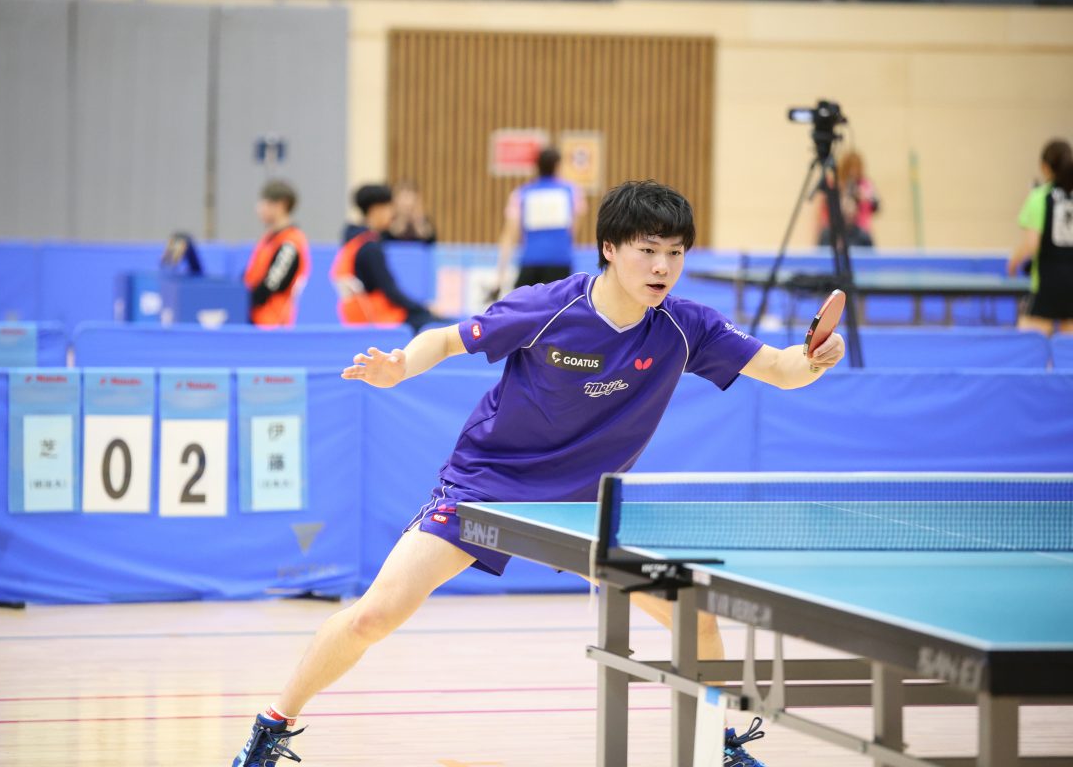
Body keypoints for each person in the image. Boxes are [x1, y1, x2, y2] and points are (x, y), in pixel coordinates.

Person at [230, 180, 846, 767]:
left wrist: (815, 358)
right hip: (487, 486)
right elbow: (446, 339)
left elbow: (782, 369)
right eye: (648, 250)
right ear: (609, 248)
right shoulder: (550, 306)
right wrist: (400, 366)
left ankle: (720, 745)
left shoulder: (687, 327)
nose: (663, 267)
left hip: (584, 508)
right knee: (374, 615)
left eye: (676, 253)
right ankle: (273, 725)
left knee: (695, 618)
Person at [331, 184, 440, 332]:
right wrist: (424, 309)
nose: (392, 214)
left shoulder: (355, 240)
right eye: (389, 208)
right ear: (376, 209)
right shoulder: (369, 247)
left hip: (359, 316)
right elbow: (391, 291)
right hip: (378, 318)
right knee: (440, 325)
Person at [495, 147, 586, 294]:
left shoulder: (522, 193)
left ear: (537, 167)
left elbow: (509, 235)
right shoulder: (571, 192)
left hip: (531, 262)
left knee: (521, 305)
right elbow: (573, 230)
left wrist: (500, 277)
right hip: (560, 261)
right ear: (557, 166)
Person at [1008, 139, 1073, 334]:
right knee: (1069, 348)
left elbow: (1032, 244)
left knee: (1030, 345)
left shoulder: (1040, 197)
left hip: (1047, 283)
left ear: (1045, 167)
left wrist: (1014, 263)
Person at [242, 181, 311, 327]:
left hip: (272, 324)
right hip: (252, 320)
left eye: (266, 203)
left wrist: (241, 302)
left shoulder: (290, 243)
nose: (259, 208)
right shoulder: (267, 239)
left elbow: (271, 285)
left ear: (281, 205)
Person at [815, 149, 879, 248]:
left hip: (859, 229)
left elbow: (875, 205)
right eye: (850, 168)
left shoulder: (864, 185)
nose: (853, 172)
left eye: (856, 168)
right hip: (835, 228)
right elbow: (825, 207)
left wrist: (864, 197)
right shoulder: (835, 183)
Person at [384, 179, 437, 244]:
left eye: (410, 198)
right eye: (403, 198)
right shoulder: (388, 219)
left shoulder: (422, 220)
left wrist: (419, 224)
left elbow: (432, 241)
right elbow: (383, 239)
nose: (407, 203)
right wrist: (398, 224)